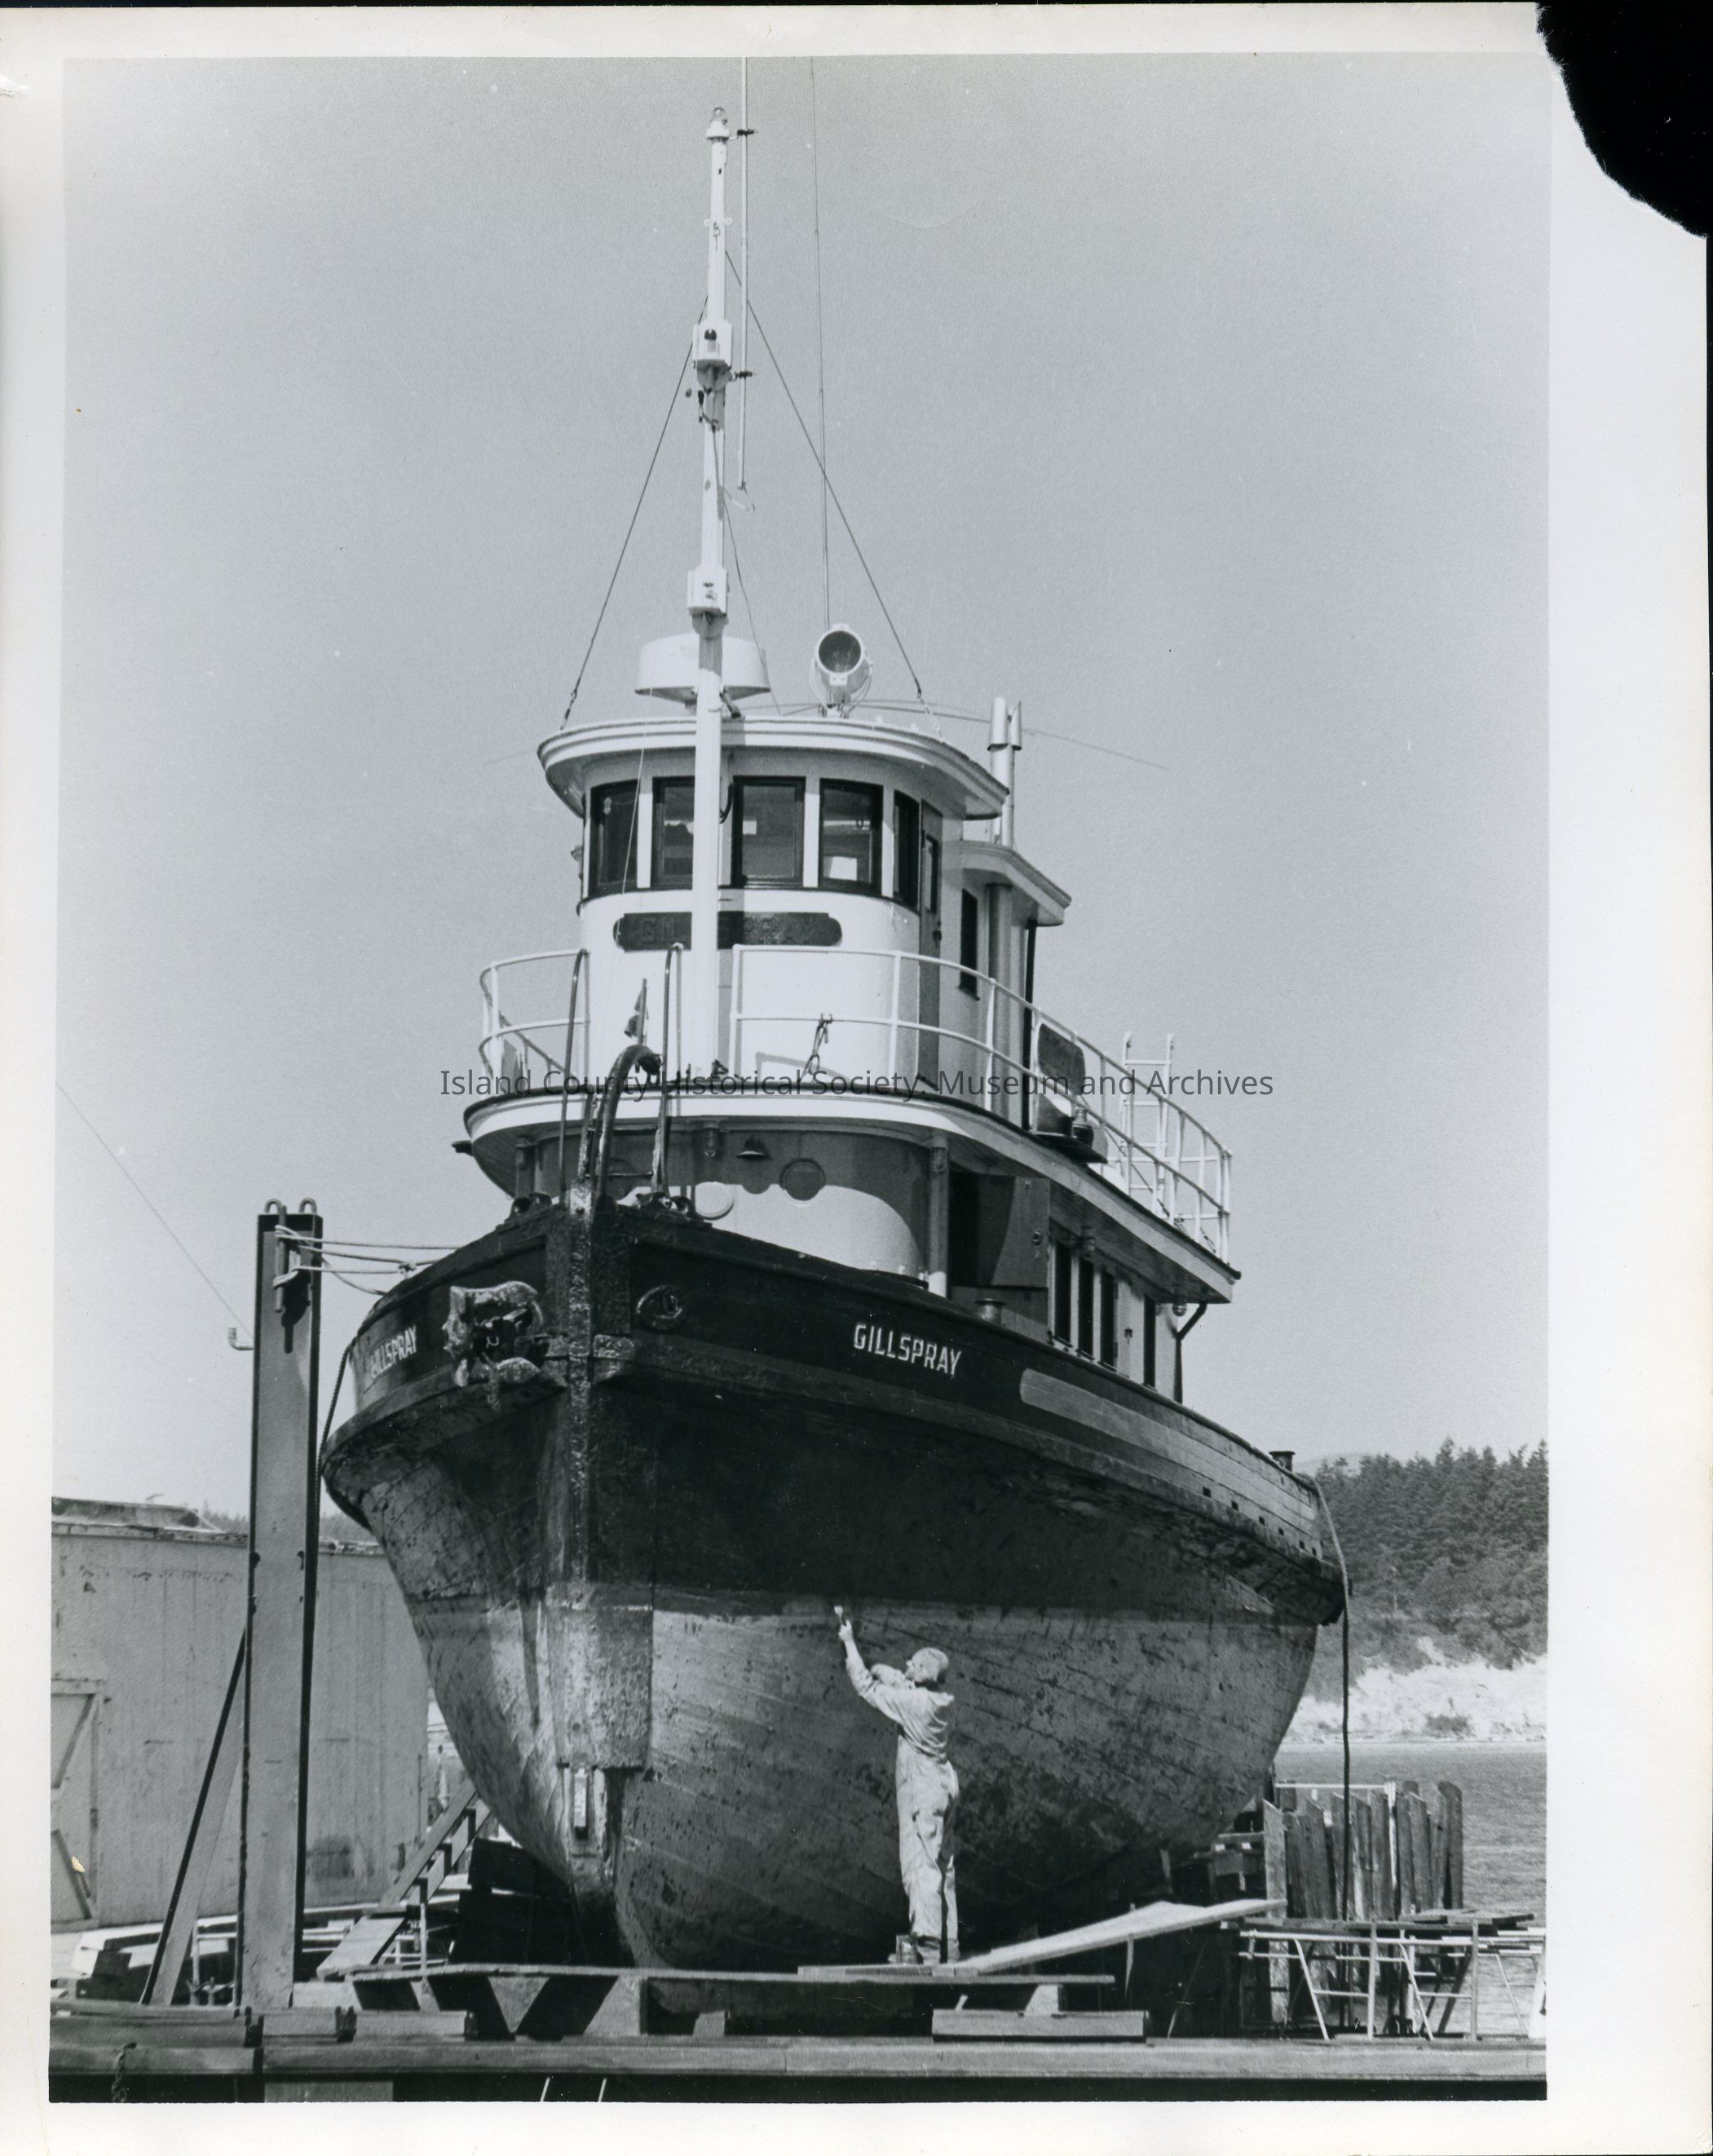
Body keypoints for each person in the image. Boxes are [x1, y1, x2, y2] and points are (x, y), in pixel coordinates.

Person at [836, 1605, 960, 1963]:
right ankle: (949, 1944)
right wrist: (884, 1668)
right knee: (944, 1865)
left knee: (920, 1865)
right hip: (945, 1783)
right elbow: (904, 1683)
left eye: (913, 1664)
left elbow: (865, 1687)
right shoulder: (942, 1700)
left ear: (922, 1674)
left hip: (922, 1787)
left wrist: (850, 1644)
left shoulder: (912, 1704)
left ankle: (926, 1947)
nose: (907, 1665)